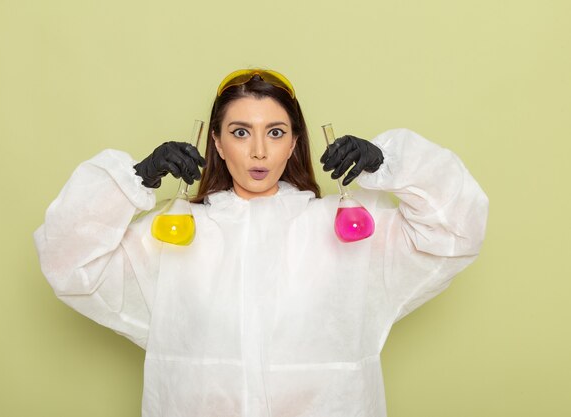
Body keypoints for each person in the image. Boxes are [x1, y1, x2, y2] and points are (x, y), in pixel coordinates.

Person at [34, 69, 488, 417]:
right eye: (239, 132)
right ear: (216, 142)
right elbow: (69, 264)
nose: (257, 152)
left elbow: (456, 232)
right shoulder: (177, 234)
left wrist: (389, 164)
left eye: (275, 132)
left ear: (293, 144)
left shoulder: (345, 230)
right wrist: (135, 180)